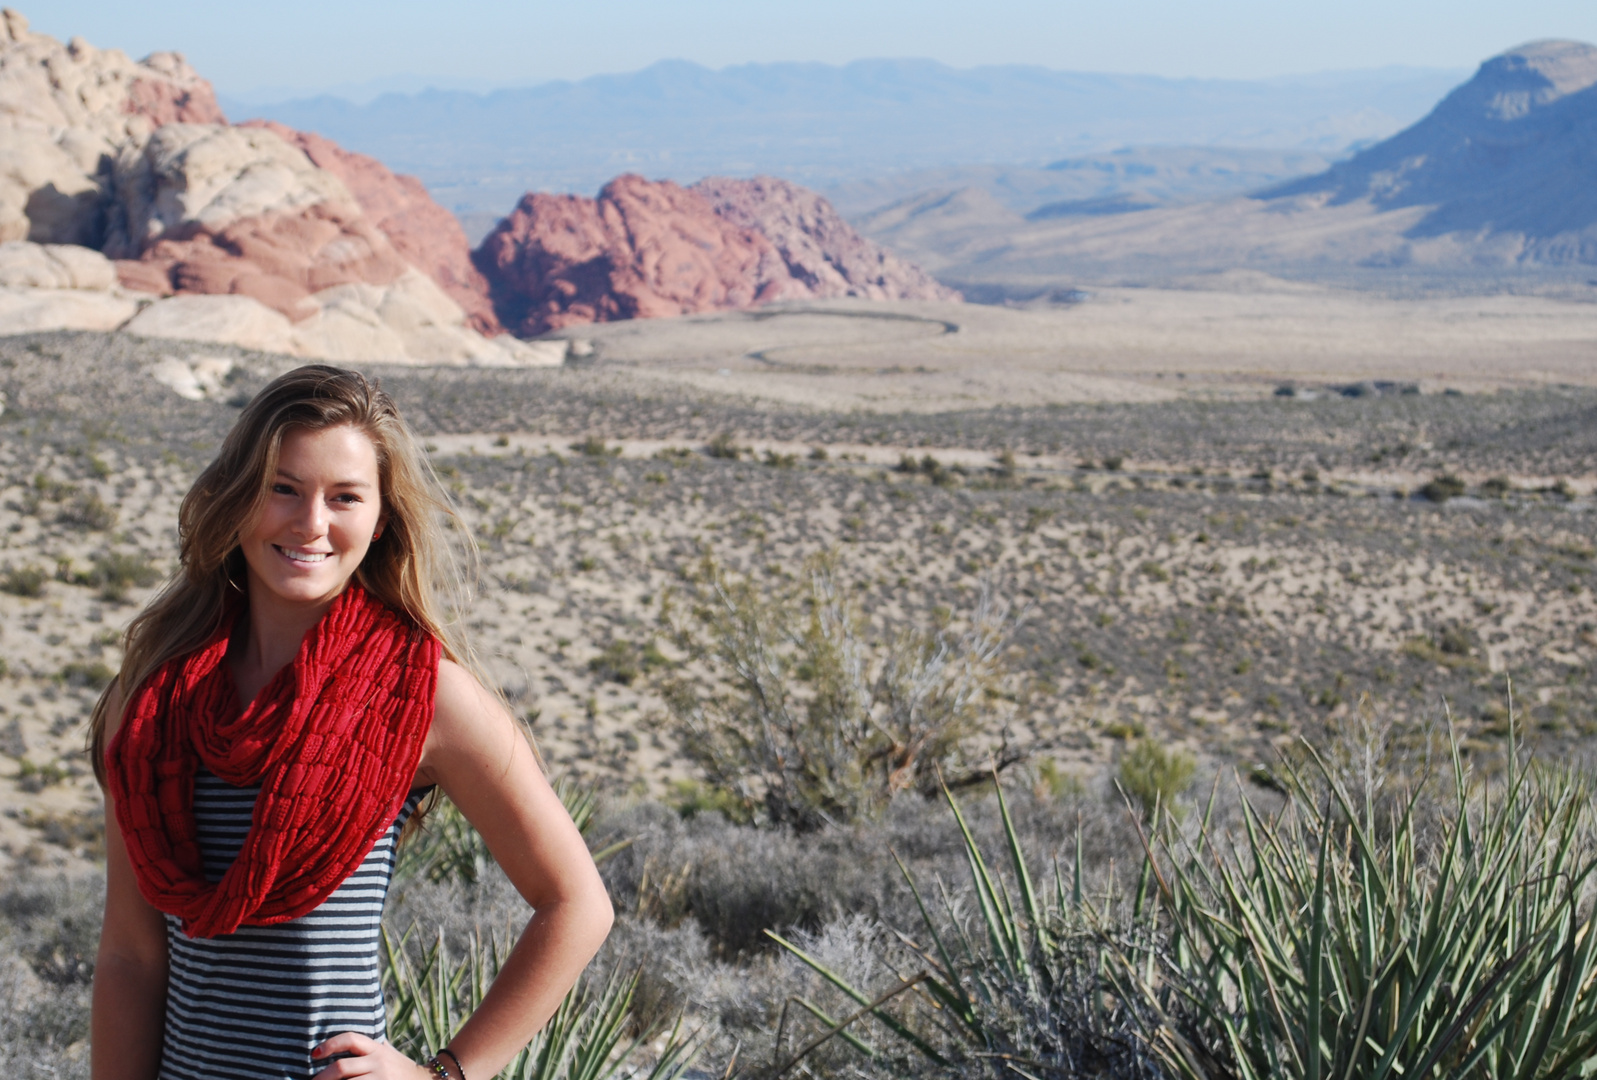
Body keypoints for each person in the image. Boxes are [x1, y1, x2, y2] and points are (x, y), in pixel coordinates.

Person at [87, 365, 613, 1080]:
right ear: (238, 498)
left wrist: (445, 1074)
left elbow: (576, 904)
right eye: (283, 488)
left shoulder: (422, 697)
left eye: (344, 497)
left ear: (381, 517)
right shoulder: (152, 701)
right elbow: (129, 954)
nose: (311, 524)